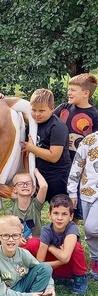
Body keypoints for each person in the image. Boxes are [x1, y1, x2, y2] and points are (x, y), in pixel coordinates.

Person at [54, 73, 98, 221]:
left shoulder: (94, 115)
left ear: (86, 93)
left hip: (80, 168)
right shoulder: (63, 109)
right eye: (69, 89)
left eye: (73, 89)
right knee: (61, 201)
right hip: (60, 164)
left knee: (74, 203)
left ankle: (73, 232)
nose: (69, 92)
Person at [25, 194, 88, 296]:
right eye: (56, 213)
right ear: (50, 214)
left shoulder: (72, 228)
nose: (59, 218)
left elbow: (65, 257)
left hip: (70, 269)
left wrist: (51, 247)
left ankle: (80, 280)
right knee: (33, 242)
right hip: (52, 268)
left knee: (76, 247)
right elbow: (40, 263)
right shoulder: (46, 230)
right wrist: (61, 256)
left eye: (64, 214)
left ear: (71, 217)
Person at [0, 215, 55, 296]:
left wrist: (50, 286)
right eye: (6, 235)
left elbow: (41, 269)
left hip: (20, 285)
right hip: (2, 295)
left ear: (21, 236)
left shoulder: (23, 253)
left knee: (46, 267)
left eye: (15, 235)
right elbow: (1, 293)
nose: (11, 239)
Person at [21, 88, 70, 202]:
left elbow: (54, 157)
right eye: (33, 110)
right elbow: (26, 155)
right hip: (37, 175)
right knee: (32, 210)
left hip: (57, 177)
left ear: (52, 109)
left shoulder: (57, 127)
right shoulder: (31, 125)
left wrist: (32, 148)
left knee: (59, 209)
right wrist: (30, 177)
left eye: (41, 111)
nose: (37, 114)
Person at [68, 131, 98, 280]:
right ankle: (96, 259)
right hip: (88, 191)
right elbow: (77, 166)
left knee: (93, 227)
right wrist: (72, 192)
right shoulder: (89, 140)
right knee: (89, 230)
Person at [0, 169, 48, 242]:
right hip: (17, 244)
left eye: (28, 183)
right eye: (20, 184)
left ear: (33, 188)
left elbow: (44, 186)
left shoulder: (36, 205)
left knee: (34, 243)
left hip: (35, 243)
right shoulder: (10, 212)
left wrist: (36, 171)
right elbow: (8, 232)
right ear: (14, 189)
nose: (25, 186)